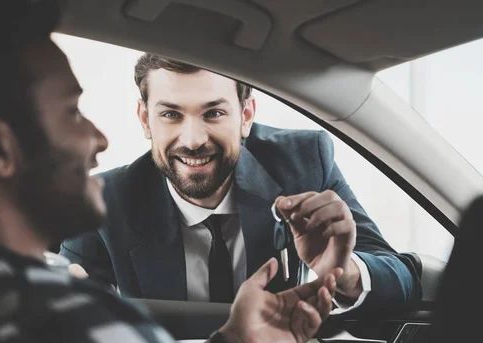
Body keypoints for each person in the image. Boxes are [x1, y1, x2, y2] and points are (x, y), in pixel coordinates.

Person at [0, 0, 338, 343]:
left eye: (213, 112)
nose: (98, 139)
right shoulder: (62, 322)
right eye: (71, 112)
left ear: (246, 116)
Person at [60, 54, 422, 310]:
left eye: (214, 112)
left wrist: (340, 272)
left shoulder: (302, 162)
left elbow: (402, 280)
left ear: (246, 115)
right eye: (170, 114)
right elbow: (65, 315)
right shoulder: (101, 203)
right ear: (145, 119)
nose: (193, 139)